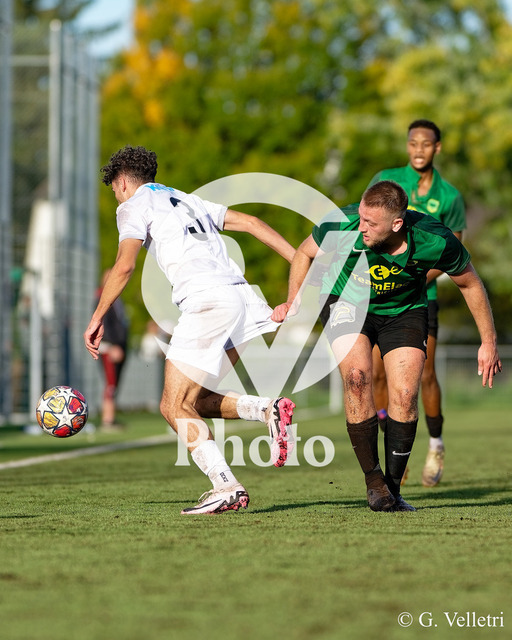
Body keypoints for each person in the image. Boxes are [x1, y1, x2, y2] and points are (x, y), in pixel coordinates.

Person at [84, 145, 296, 515]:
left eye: (114, 188)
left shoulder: (132, 206)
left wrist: (97, 315)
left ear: (122, 183)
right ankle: (267, 409)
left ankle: (226, 486)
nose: (116, 195)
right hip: (243, 300)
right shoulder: (187, 199)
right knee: (194, 401)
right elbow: (251, 222)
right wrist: (301, 261)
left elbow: (124, 265)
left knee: (172, 405)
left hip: (209, 302)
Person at [272, 180, 501, 512]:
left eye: (371, 223)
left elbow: (470, 283)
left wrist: (488, 342)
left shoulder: (434, 239)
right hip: (346, 301)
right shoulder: (341, 224)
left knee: (406, 395)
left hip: (404, 310)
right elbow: (304, 252)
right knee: (357, 377)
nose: (361, 226)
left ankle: (392, 488)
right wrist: (292, 299)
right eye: (362, 217)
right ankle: (374, 482)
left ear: (397, 224)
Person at [367, 120, 466, 487]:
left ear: (436, 148)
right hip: (380, 294)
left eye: (426, 144)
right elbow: (367, 223)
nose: (418, 149)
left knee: (424, 374)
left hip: (423, 297)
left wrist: (415, 277)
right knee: (377, 374)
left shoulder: (450, 197)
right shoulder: (387, 180)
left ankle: (436, 445)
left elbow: (454, 251)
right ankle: (394, 446)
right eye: (413, 143)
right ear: (407, 145)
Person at [95, 269, 129, 431]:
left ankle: (110, 417)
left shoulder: (117, 300)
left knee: (114, 383)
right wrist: (111, 346)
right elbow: (103, 323)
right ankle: (107, 420)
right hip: (109, 348)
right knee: (110, 383)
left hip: (118, 347)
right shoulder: (102, 298)